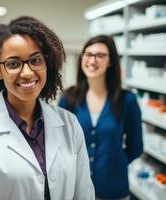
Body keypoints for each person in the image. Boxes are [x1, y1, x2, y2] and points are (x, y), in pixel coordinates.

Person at [0, 16, 95, 200]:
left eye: (35, 60)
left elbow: (83, 193)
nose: (27, 73)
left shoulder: (69, 124)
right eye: (13, 64)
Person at [58, 35, 143, 199]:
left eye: (100, 55)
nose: (92, 60)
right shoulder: (69, 98)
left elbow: (136, 146)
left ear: (111, 62)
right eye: (88, 54)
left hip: (114, 191)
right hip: (75, 189)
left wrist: (114, 163)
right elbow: (57, 142)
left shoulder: (127, 100)